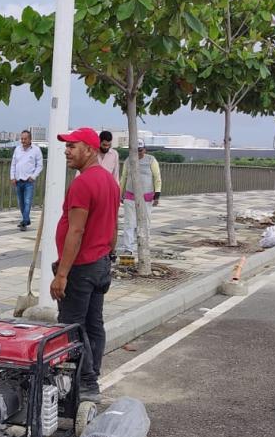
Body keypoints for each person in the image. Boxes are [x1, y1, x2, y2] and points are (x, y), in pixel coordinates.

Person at [51, 127, 119, 402]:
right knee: (93, 325)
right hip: (100, 263)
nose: (67, 151)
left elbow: (76, 231)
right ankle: (92, 375)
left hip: (82, 267)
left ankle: (87, 386)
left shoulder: (82, 183)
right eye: (66, 146)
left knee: (72, 328)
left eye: (72, 146)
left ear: (89, 150)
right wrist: (107, 257)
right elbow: (113, 226)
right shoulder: (109, 181)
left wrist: (62, 274)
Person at [117, 140, 162, 256]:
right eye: (135, 151)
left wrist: (157, 195)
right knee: (129, 223)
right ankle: (128, 248)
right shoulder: (128, 161)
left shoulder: (151, 160)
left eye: (140, 150)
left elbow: (157, 177)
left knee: (145, 223)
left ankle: (143, 246)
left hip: (146, 197)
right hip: (130, 196)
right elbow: (123, 177)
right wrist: (120, 194)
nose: (138, 153)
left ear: (145, 149)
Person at [9, 130, 43, 231]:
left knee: (28, 201)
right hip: (18, 180)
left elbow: (40, 165)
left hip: (29, 181)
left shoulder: (36, 150)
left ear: (30, 139)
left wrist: (33, 176)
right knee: (21, 203)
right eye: (22, 139)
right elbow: (13, 164)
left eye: (25, 139)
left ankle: (24, 222)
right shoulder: (17, 149)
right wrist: (12, 177)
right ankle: (26, 219)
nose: (23, 141)